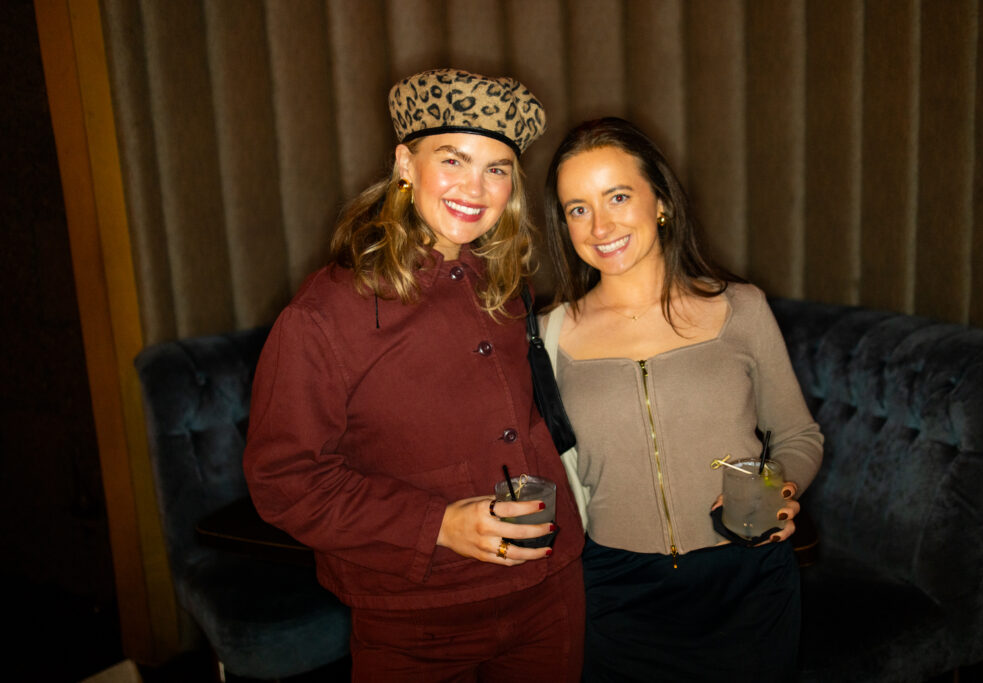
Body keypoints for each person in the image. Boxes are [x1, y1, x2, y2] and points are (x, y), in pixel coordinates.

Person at [243, 69, 585, 682]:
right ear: (406, 164)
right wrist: (439, 525)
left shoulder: (506, 284)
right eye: (452, 159)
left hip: (547, 591)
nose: (475, 188)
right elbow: (284, 481)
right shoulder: (325, 315)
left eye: (497, 168)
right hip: (416, 620)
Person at [540, 117, 824, 682]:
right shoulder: (550, 334)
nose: (600, 226)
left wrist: (781, 492)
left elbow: (798, 436)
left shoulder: (740, 308)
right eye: (578, 208)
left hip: (748, 582)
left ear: (662, 201)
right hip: (617, 591)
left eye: (618, 197)